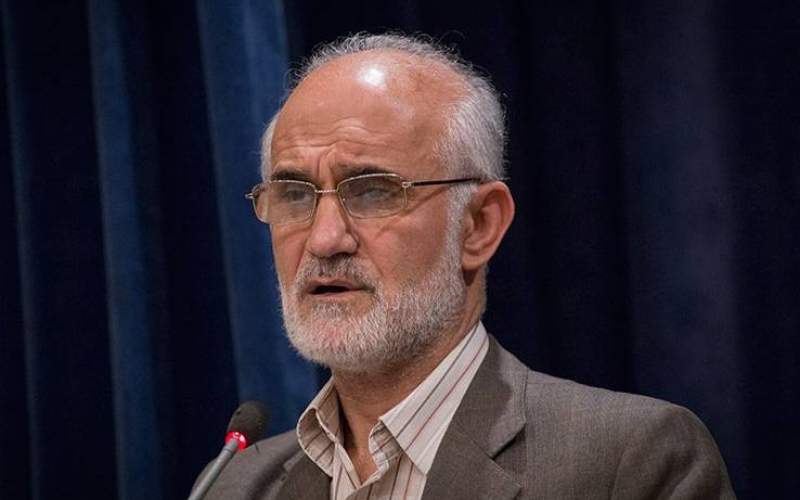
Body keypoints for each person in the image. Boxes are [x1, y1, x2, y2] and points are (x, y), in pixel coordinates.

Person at [196, 33, 735, 499]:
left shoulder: (628, 461)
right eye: (294, 194)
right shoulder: (238, 484)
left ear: (479, 225)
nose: (324, 239)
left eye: (374, 191)